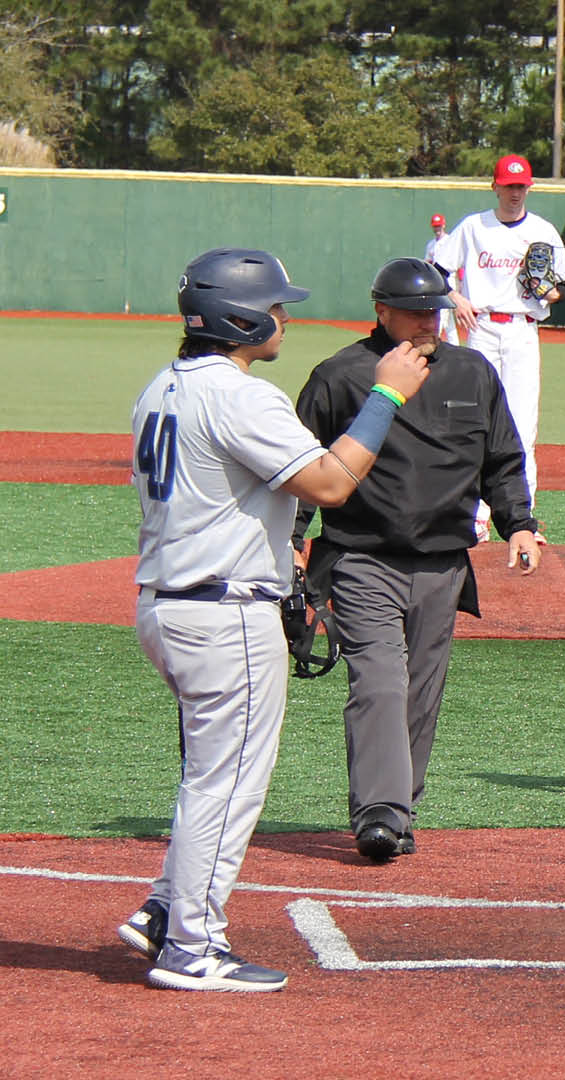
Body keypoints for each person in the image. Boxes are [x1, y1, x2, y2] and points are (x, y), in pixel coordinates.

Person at [119, 248, 429, 990]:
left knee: (207, 773)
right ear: (241, 316)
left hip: (170, 604)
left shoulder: (160, 386)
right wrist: (384, 398)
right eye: (276, 307)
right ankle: (192, 948)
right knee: (226, 785)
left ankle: (165, 911)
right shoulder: (241, 396)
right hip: (222, 614)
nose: (285, 317)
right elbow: (329, 482)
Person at [293, 258, 541, 862]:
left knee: (420, 693)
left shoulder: (471, 372)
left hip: (443, 562)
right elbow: (299, 465)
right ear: (381, 311)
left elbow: (501, 460)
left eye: (434, 310)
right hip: (360, 559)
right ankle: (378, 813)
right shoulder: (342, 375)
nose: (427, 321)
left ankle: (400, 807)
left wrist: (520, 524)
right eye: (413, 311)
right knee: (378, 679)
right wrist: (291, 547)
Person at [436, 153, 565, 538]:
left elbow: (562, 285)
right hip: (481, 328)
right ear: (494, 186)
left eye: (521, 186)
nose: (515, 192)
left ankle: (522, 518)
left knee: (522, 424)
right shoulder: (473, 227)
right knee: (473, 420)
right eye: (509, 185)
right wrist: (456, 298)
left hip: (523, 330)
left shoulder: (543, 229)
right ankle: (475, 515)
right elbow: (437, 271)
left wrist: (549, 292)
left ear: (529, 187)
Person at [424, 212, 458, 345]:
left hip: (449, 283)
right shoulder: (431, 244)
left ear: (444, 225)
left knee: (442, 315)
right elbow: (427, 262)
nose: (437, 229)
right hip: (436, 283)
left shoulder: (450, 241)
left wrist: (459, 285)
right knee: (449, 322)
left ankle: (434, 342)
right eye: (435, 226)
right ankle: (454, 346)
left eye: (439, 226)